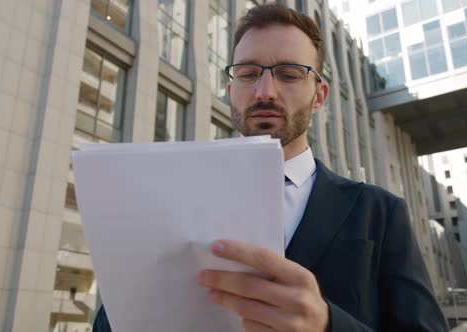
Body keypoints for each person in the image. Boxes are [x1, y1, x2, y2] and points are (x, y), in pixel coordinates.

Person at [93, 3, 448, 331]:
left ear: (319, 96)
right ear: (231, 90)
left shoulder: (381, 213)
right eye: (248, 74)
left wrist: (328, 325)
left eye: (289, 74)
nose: (265, 91)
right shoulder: (171, 204)